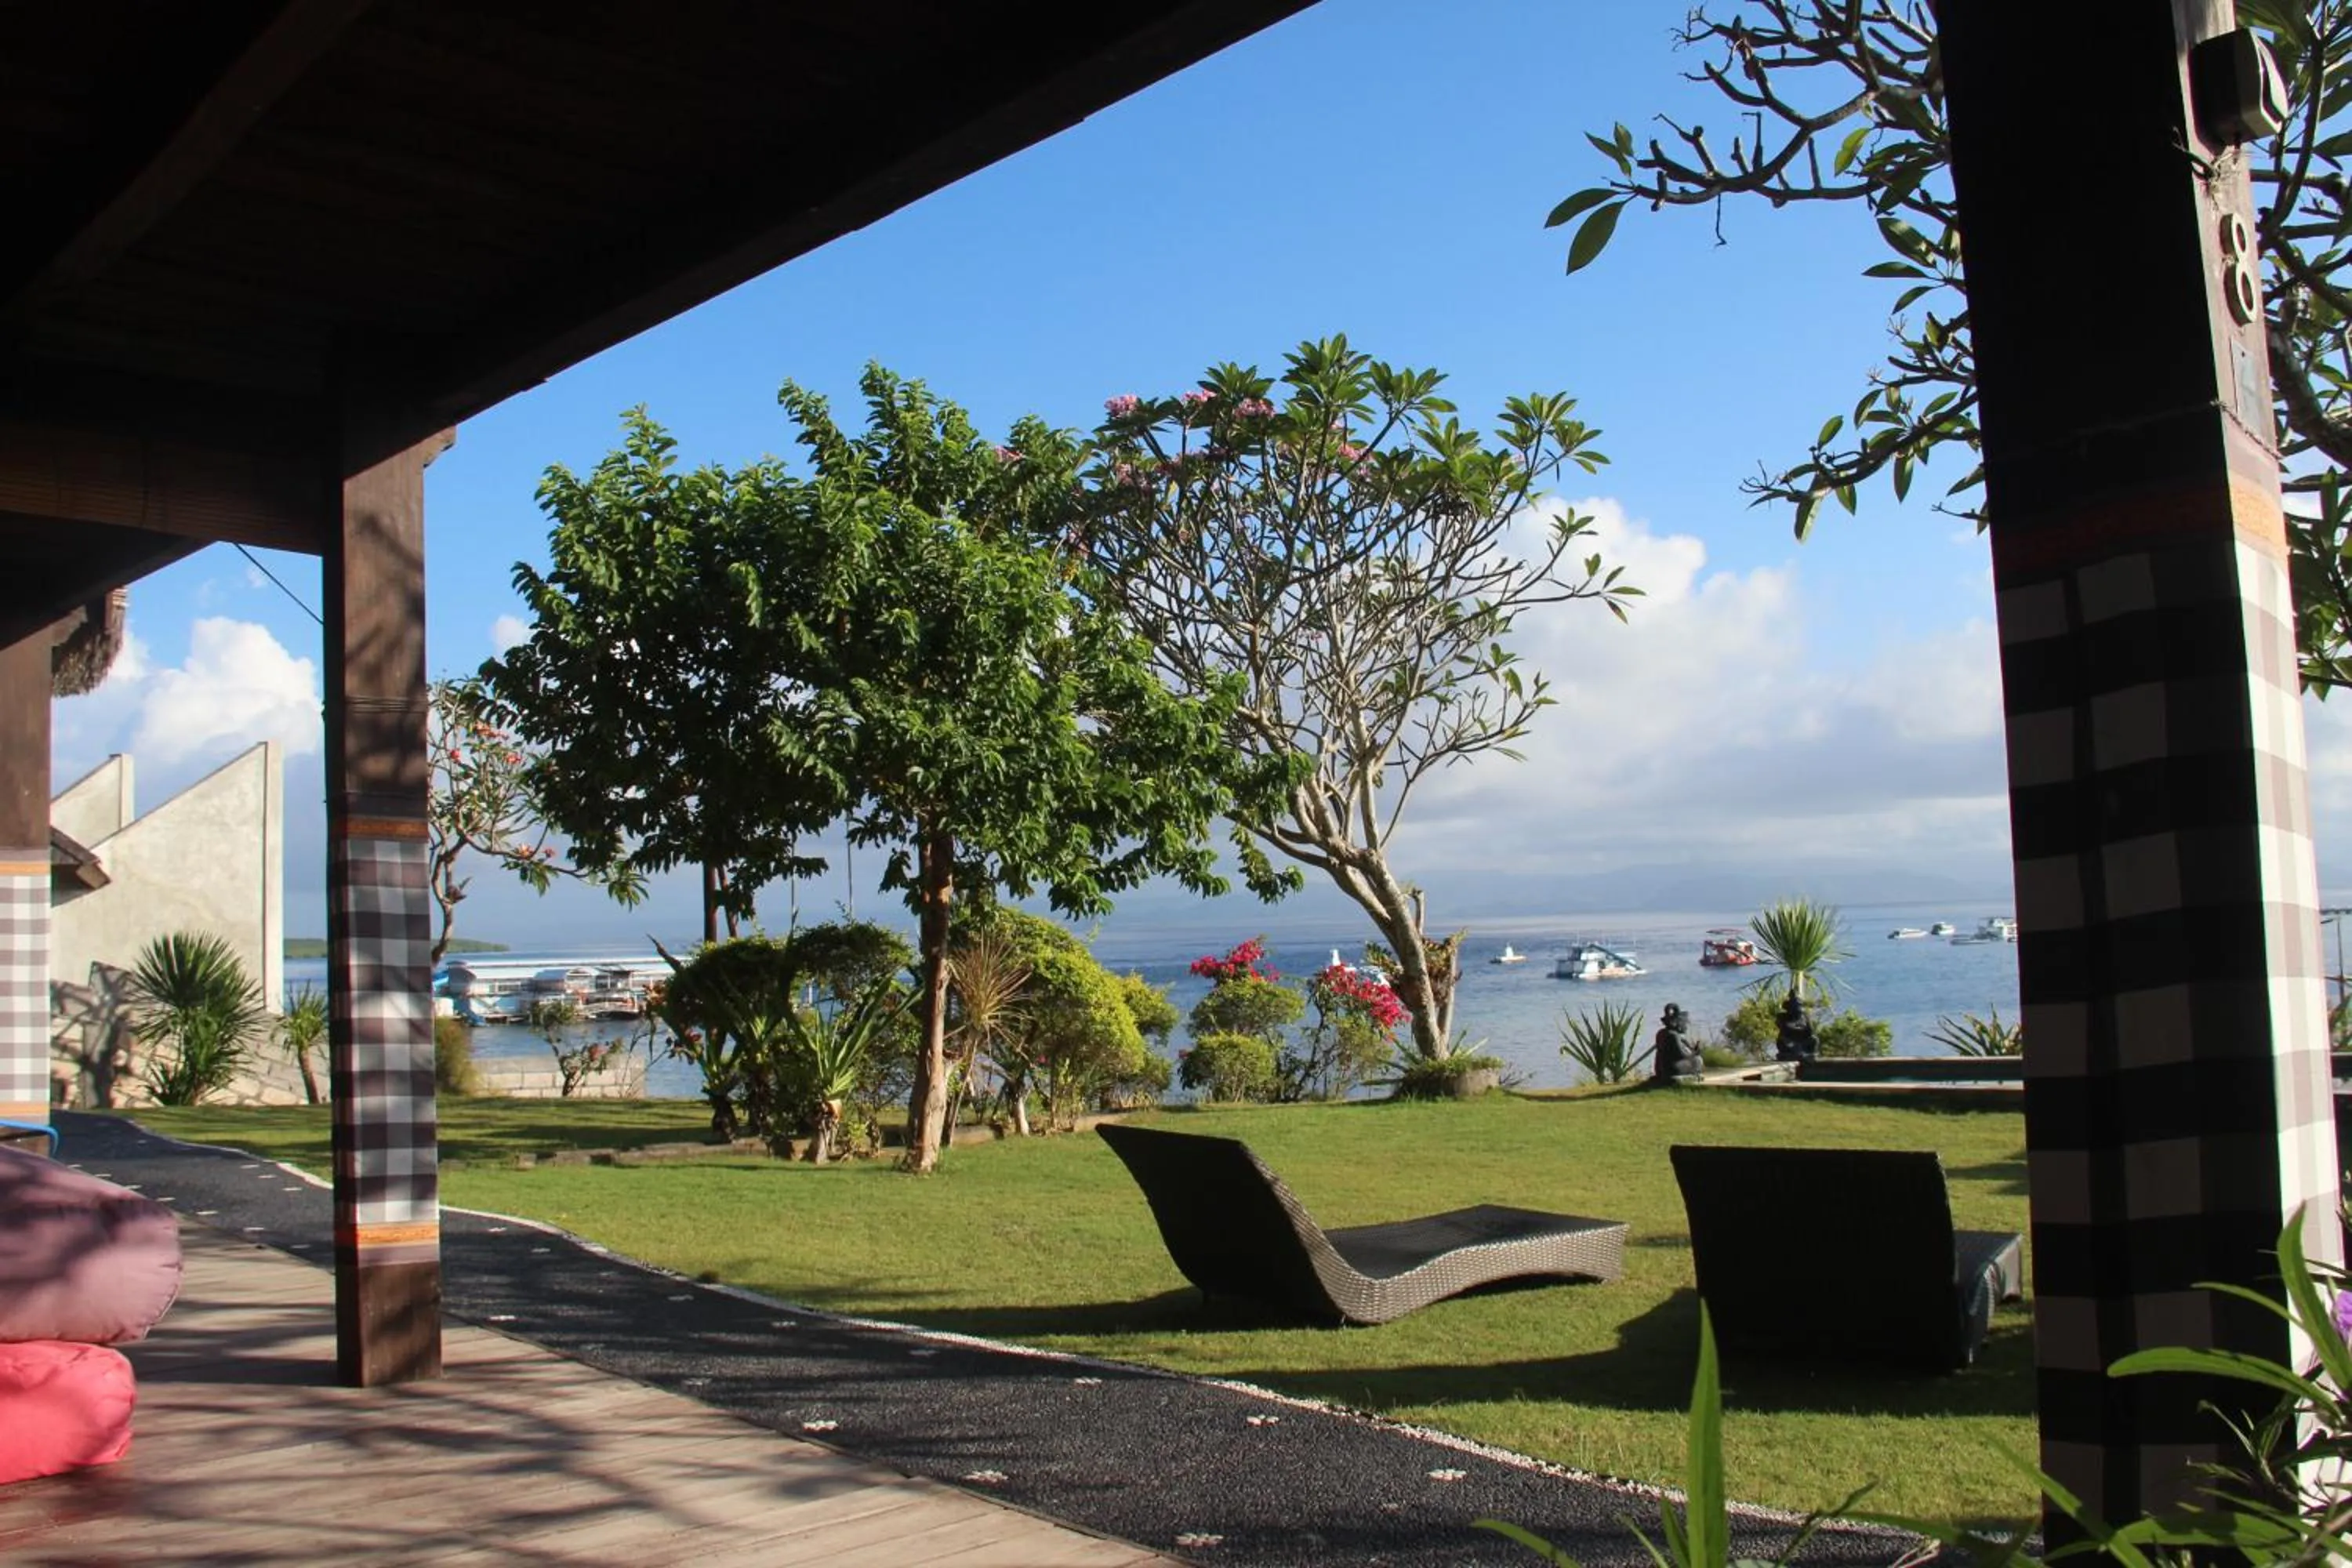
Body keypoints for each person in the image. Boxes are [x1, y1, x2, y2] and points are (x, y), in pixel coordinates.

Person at [1652, 1002, 1705, 1082]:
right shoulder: (1673, 1036)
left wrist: (1692, 1050)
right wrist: (1695, 1053)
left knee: (1696, 1059)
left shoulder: (1661, 1033)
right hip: (1672, 1068)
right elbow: (1682, 1055)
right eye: (1684, 1024)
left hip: (1660, 1068)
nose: (1686, 1026)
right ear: (1678, 1023)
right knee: (1698, 1060)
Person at [1773, 992, 1818, 1062]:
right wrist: (1796, 1028)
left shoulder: (1805, 1016)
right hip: (1789, 1041)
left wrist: (1803, 1028)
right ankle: (1798, 1053)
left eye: (1799, 1006)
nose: (1797, 1008)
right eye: (1794, 1006)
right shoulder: (1782, 1016)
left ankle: (1805, 1054)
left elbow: (1810, 1031)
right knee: (1785, 1040)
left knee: (1814, 1039)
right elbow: (1784, 1029)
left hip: (1802, 1040)